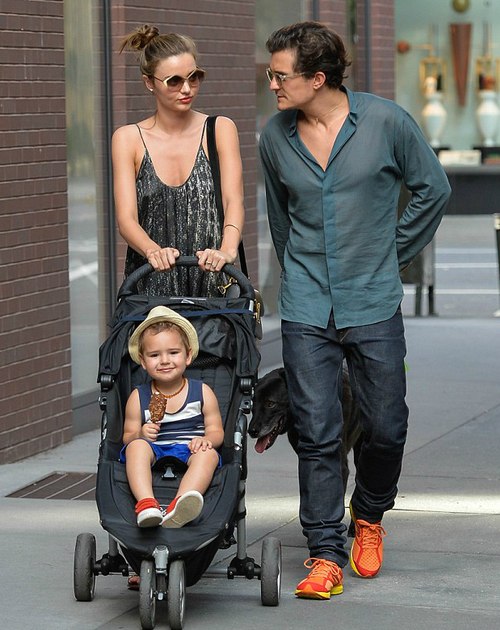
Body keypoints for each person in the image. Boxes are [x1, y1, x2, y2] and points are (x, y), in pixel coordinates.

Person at [259, 22, 451, 600]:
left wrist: (392, 254)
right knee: (316, 431)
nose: (272, 84)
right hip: (306, 304)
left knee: (386, 425)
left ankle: (368, 514)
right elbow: (280, 219)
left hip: (372, 299)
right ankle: (325, 553)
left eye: (280, 75)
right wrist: (297, 276)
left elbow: (433, 188)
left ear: (318, 78)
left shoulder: (386, 122)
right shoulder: (275, 137)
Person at [113, 24, 244, 296]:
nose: (187, 89)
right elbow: (126, 219)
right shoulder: (128, 139)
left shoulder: (219, 129)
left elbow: (234, 201)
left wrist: (227, 250)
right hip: (151, 288)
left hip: (213, 286)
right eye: (174, 81)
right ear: (149, 83)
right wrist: (153, 251)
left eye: (194, 77)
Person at [121, 305, 224, 528]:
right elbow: (127, 436)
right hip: (155, 449)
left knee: (208, 455)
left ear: (188, 356)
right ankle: (146, 504)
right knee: (135, 447)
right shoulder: (139, 397)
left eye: (173, 353)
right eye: (154, 355)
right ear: (143, 361)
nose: (165, 360)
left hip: (190, 449)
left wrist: (206, 440)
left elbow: (216, 430)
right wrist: (140, 434)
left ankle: (180, 505)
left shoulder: (202, 392)